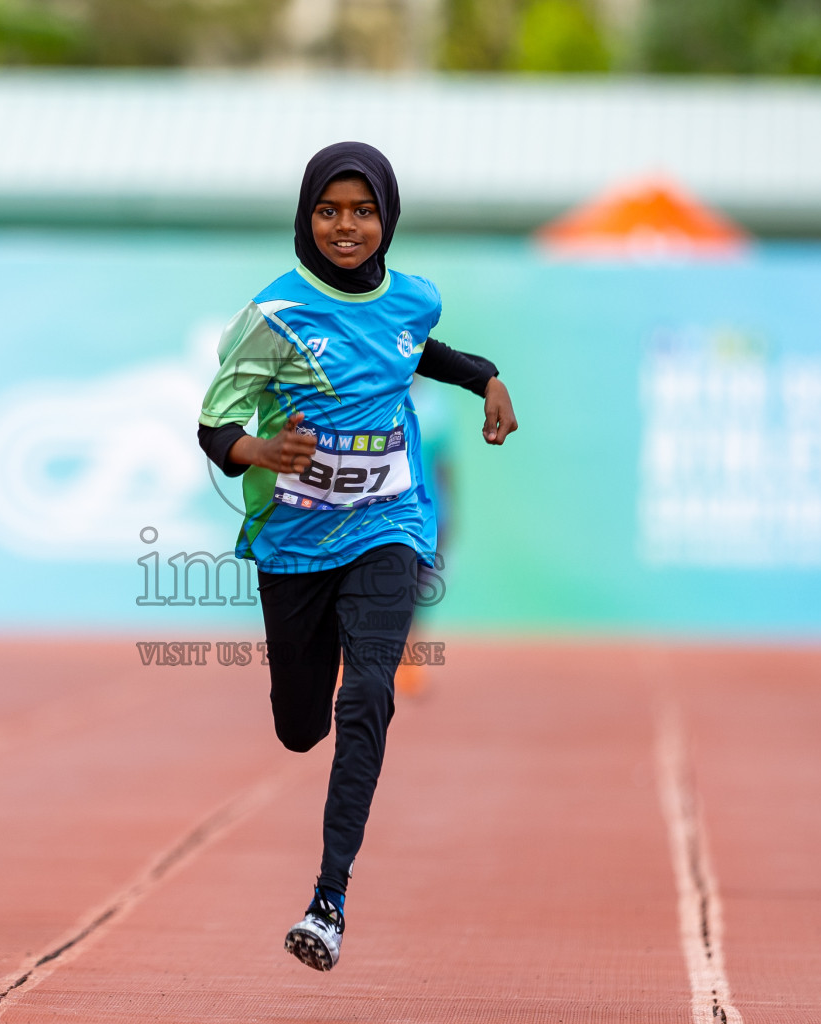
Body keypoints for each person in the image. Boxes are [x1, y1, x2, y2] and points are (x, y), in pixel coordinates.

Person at [196, 142, 517, 969]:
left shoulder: (413, 300)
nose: (348, 226)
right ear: (307, 217)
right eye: (330, 210)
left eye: (364, 210)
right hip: (297, 547)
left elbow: (420, 350)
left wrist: (487, 378)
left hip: (389, 526)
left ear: (388, 219)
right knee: (300, 728)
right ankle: (327, 648)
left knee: (370, 691)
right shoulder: (274, 317)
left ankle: (328, 900)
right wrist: (257, 452)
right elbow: (215, 424)